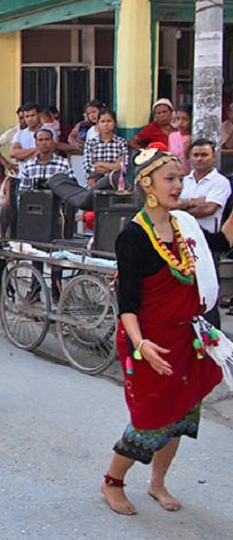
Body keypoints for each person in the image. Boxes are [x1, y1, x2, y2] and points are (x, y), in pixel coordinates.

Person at [102, 146, 233, 516]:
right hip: (149, 341)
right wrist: (141, 344)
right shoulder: (133, 237)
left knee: (181, 417)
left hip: (185, 339)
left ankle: (157, 483)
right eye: (170, 179)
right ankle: (112, 482)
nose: (179, 185)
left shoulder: (184, 226)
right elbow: (127, 304)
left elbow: (219, 246)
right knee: (148, 420)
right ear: (148, 184)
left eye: (180, 178)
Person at [179, 140, 231, 233]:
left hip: (208, 237)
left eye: (204, 155)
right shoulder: (182, 181)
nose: (199, 158)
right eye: (196, 155)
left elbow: (208, 209)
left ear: (214, 156)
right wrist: (193, 202)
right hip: (182, 234)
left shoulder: (220, 182)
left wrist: (180, 210)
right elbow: (170, 205)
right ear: (189, 157)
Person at [17, 129, 73, 193]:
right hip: (34, 202)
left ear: (52, 142)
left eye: (47, 139)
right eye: (40, 140)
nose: (44, 143)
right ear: (36, 143)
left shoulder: (64, 164)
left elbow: (71, 190)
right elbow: (22, 191)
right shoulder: (28, 166)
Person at [83, 108, 128, 179]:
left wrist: (99, 164)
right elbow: (87, 167)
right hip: (95, 183)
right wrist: (114, 166)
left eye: (109, 121)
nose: (106, 124)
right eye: (102, 121)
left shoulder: (121, 142)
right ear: (98, 124)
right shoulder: (91, 143)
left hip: (115, 184)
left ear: (115, 123)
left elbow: (123, 167)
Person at [167, 106, 192, 174]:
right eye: (178, 119)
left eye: (185, 119)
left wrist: (187, 151)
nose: (180, 122)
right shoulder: (172, 136)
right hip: (174, 174)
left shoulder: (192, 138)